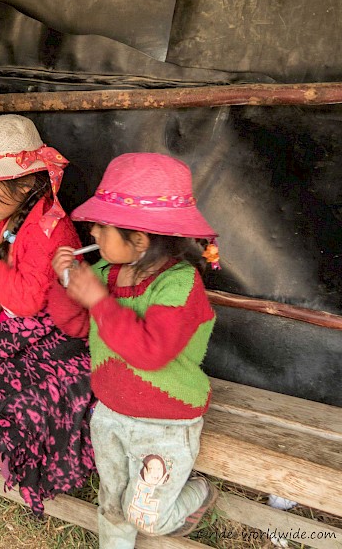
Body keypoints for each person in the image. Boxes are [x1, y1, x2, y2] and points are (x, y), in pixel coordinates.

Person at [49, 152, 221, 547]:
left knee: (146, 517)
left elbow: (151, 352)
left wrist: (98, 300)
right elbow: (75, 325)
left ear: (140, 239)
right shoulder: (105, 274)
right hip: (111, 413)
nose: (92, 233)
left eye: (102, 226)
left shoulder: (180, 284)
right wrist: (65, 283)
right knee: (112, 504)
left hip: (165, 424)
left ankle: (197, 493)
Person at [0, 114, 96, 516]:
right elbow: (23, 276)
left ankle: (22, 451)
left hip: (57, 333)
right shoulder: (22, 217)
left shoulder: (46, 231)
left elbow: (30, 301)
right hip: (29, 323)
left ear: (27, 182)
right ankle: (21, 444)